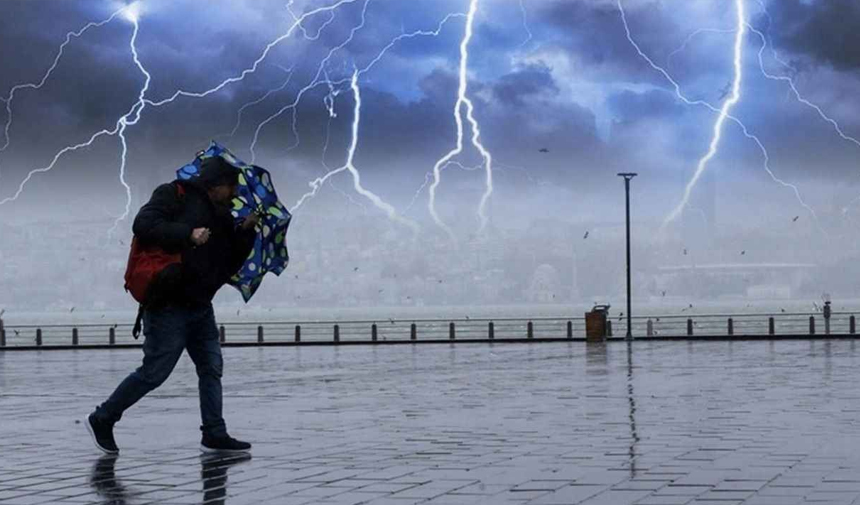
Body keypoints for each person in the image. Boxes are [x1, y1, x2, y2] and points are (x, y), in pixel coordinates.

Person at [85, 157, 260, 454]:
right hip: (168, 304)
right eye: (231, 187)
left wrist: (245, 231)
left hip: (200, 305)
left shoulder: (223, 217)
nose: (235, 194)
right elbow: (143, 225)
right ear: (216, 185)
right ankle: (103, 417)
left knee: (211, 367)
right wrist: (187, 234)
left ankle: (214, 433)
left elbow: (227, 265)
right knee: (155, 372)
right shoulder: (172, 194)